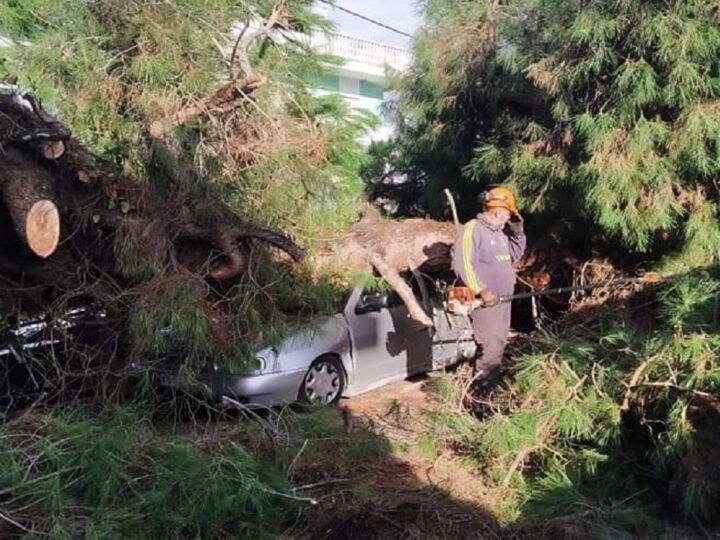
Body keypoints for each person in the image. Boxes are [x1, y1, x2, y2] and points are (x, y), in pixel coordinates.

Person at [451, 186, 526, 400]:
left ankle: (486, 390)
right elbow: (462, 264)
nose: (507, 217)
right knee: (491, 348)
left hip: (503, 301)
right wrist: (482, 290)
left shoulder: (500, 235)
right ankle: (481, 399)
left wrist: (518, 234)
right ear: (496, 209)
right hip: (483, 302)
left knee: (498, 344)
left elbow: (514, 255)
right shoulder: (472, 229)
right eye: (506, 213)